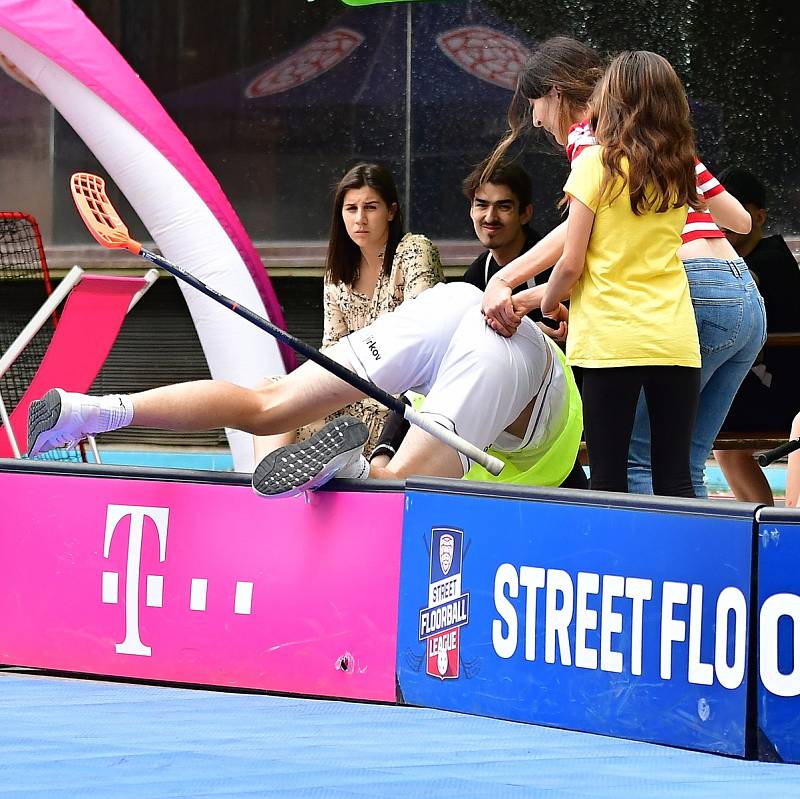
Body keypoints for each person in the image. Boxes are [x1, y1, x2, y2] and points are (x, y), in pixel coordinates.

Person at [480, 36, 764, 497]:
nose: (534, 118)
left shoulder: (595, 138)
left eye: (534, 102)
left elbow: (583, 239)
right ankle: (688, 567)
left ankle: (632, 568)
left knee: (633, 466)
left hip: (685, 296)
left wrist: (514, 284)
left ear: (555, 93)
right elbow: (739, 220)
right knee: (683, 468)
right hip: (742, 297)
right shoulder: (669, 147)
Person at [27, 282, 583, 498]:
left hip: (460, 299)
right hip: (505, 346)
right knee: (391, 486)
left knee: (270, 402)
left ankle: (89, 409)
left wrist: (506, 286)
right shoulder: (553, 453)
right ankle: (352, 467)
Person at [527, 50, 704, 496]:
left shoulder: (595, 164)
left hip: (610, 340)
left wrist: (549, 303)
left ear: (611, 99)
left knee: (608, 478)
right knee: (675, 476)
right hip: (675, 339)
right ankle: (678, 564)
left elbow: (571, 261)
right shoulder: (680, 168)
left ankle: (619, 566)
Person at [254, 162, 444, 461]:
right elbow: (331, 349)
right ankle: (268, 494)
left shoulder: (413, 250)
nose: (360, 219)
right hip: (349, 395)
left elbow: (424, 333)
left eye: (370, 207)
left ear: (391, 212)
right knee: (270, 389)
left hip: (402, 403)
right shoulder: (338, 273)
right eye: (350, 209)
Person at [713, 167, 800, 504]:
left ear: (759, 216)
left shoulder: (766, 263)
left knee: (702, 419)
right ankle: (760, 521)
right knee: (724, 446)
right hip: (771, 390)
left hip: (781, 395)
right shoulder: (760, 259)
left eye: (734, 208)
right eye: (718, 208)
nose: (724, 218)